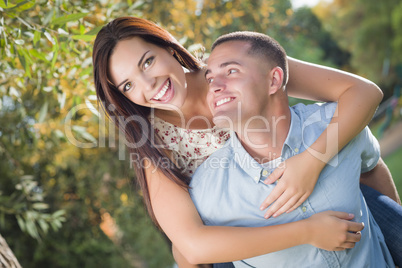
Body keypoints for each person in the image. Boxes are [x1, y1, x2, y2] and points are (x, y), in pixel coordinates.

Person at [92, 17, 399, 266]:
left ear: (168, 48)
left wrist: (313, 161)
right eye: (128, 85)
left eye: (147, 62)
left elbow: (362, 93)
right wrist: (307, 232)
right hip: (250, 238)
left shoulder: (232, 66)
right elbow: (192, 246)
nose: (148, 85)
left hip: (321, 190)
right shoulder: (153, 142)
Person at [190, 31, 396, 267]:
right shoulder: (206, 190)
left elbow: (371, 168)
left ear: (274, 80)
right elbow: (191, 253)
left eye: (231, 71)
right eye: (210, 78)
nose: (214, 86)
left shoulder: (337, 123)